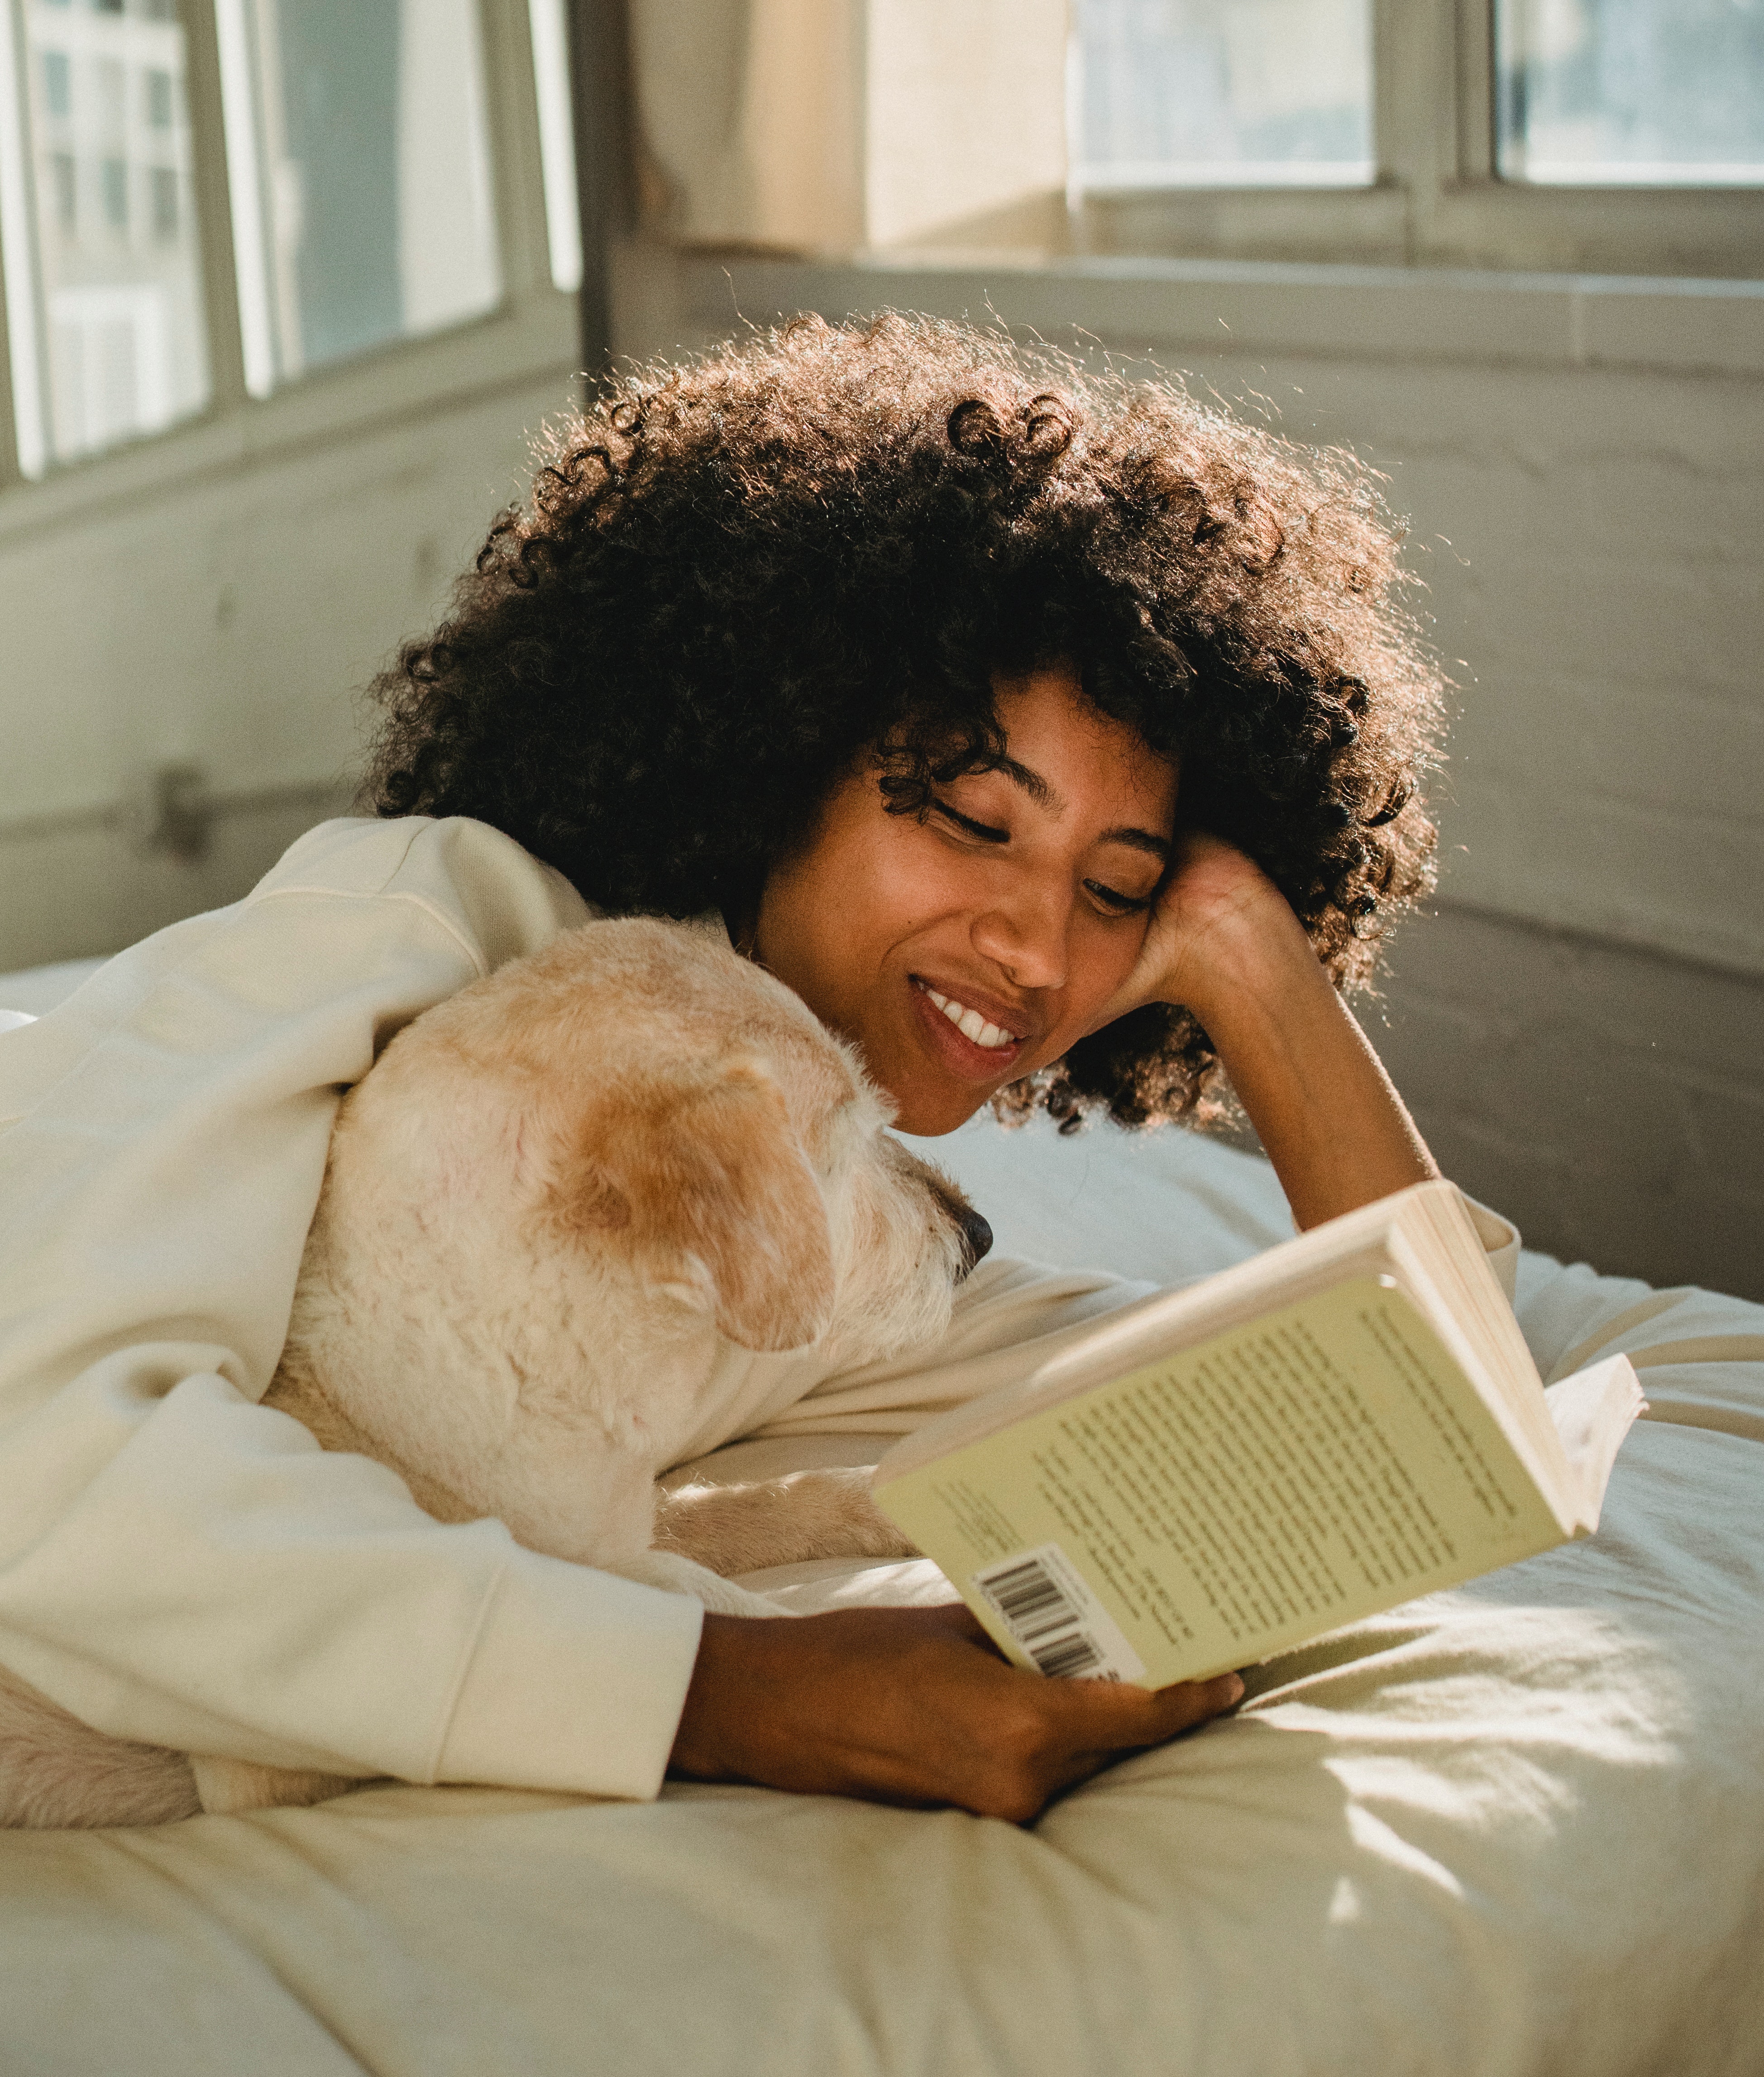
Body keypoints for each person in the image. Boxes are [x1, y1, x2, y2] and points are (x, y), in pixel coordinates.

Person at [0, 315, 1479, 1828]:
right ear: (778, 754)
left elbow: (1425, 1404)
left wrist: (1253, 962)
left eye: (1115, 888)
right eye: (974, 818)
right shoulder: (427, 923)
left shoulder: (838, 1225)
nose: (1038, 951)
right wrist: (737, 1694)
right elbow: (38, 1445)